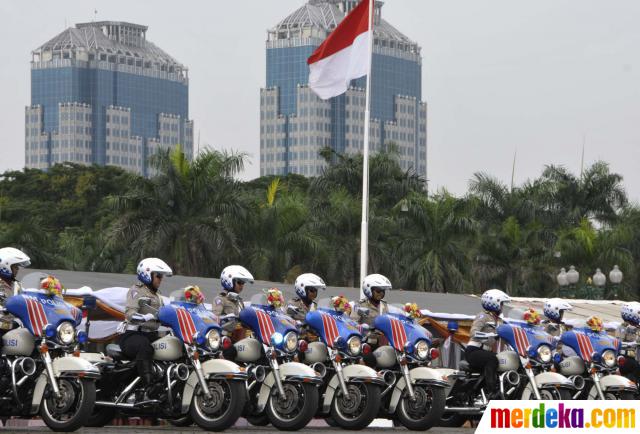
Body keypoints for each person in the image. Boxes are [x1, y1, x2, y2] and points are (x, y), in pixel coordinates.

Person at [118, 257, 172, 400]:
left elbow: (166, 315)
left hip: (151, 335)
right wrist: (144, 317)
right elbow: (129, 314)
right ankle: (149, 386)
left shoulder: (158, 297)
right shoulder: (136, 291)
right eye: (158, 276)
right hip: (132, 335)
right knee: (145, 348)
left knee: (174, 346)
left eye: (162, 276)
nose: (161, 279)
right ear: (147, 274)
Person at [466, 289, 510, 399]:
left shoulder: (499, 320)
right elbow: (473, 332)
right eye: (501, 304)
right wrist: (489, 335)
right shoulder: (483, 316)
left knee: (505, 360)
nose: (502, 306)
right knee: (492, 359)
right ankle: (492, 391)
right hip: (474, 350)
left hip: (486, 351)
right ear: (494, 303)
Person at [0, 247, 30, 332]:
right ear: (5, 265)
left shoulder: (17, 285)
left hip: (15, 324)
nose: (18, 269)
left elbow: (26, 300)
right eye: (15, 267)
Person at [616, 302, 640, 383]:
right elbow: (618, 343)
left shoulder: (638, 327)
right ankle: (630, 386)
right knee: (636, 366)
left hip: (636, 357)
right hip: (625, 357)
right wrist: (632, 343)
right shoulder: (622, 327)